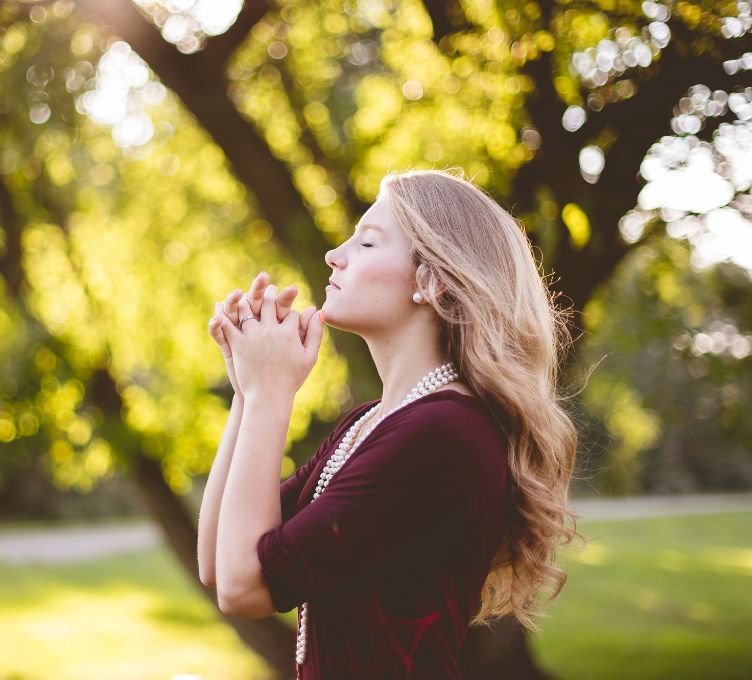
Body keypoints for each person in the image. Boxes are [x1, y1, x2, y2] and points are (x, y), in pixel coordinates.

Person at [197, 167, 583, 679]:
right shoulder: (372, 422)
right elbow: (217, 565)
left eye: (368, 242)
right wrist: (249, 391)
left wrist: (271, 393)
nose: (335, 254)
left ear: (433, 280)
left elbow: (247, 588)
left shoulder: (442, 433)